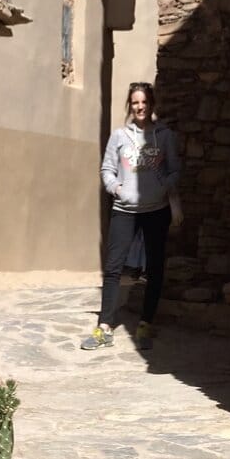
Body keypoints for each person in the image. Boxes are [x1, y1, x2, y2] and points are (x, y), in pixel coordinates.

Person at [83, 82, 182, 352]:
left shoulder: (165, 136)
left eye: (144, 102)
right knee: (113, 268)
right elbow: (107, 169)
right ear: (130, 105)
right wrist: (116, 188)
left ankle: (145, 323)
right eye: (135, 102)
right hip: (124, 211)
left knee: (154, 270)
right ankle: (104, 326)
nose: (140, 107)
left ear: (152, 105)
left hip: (155, 212)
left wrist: (163, 188)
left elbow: (175, 170)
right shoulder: (119, 136)